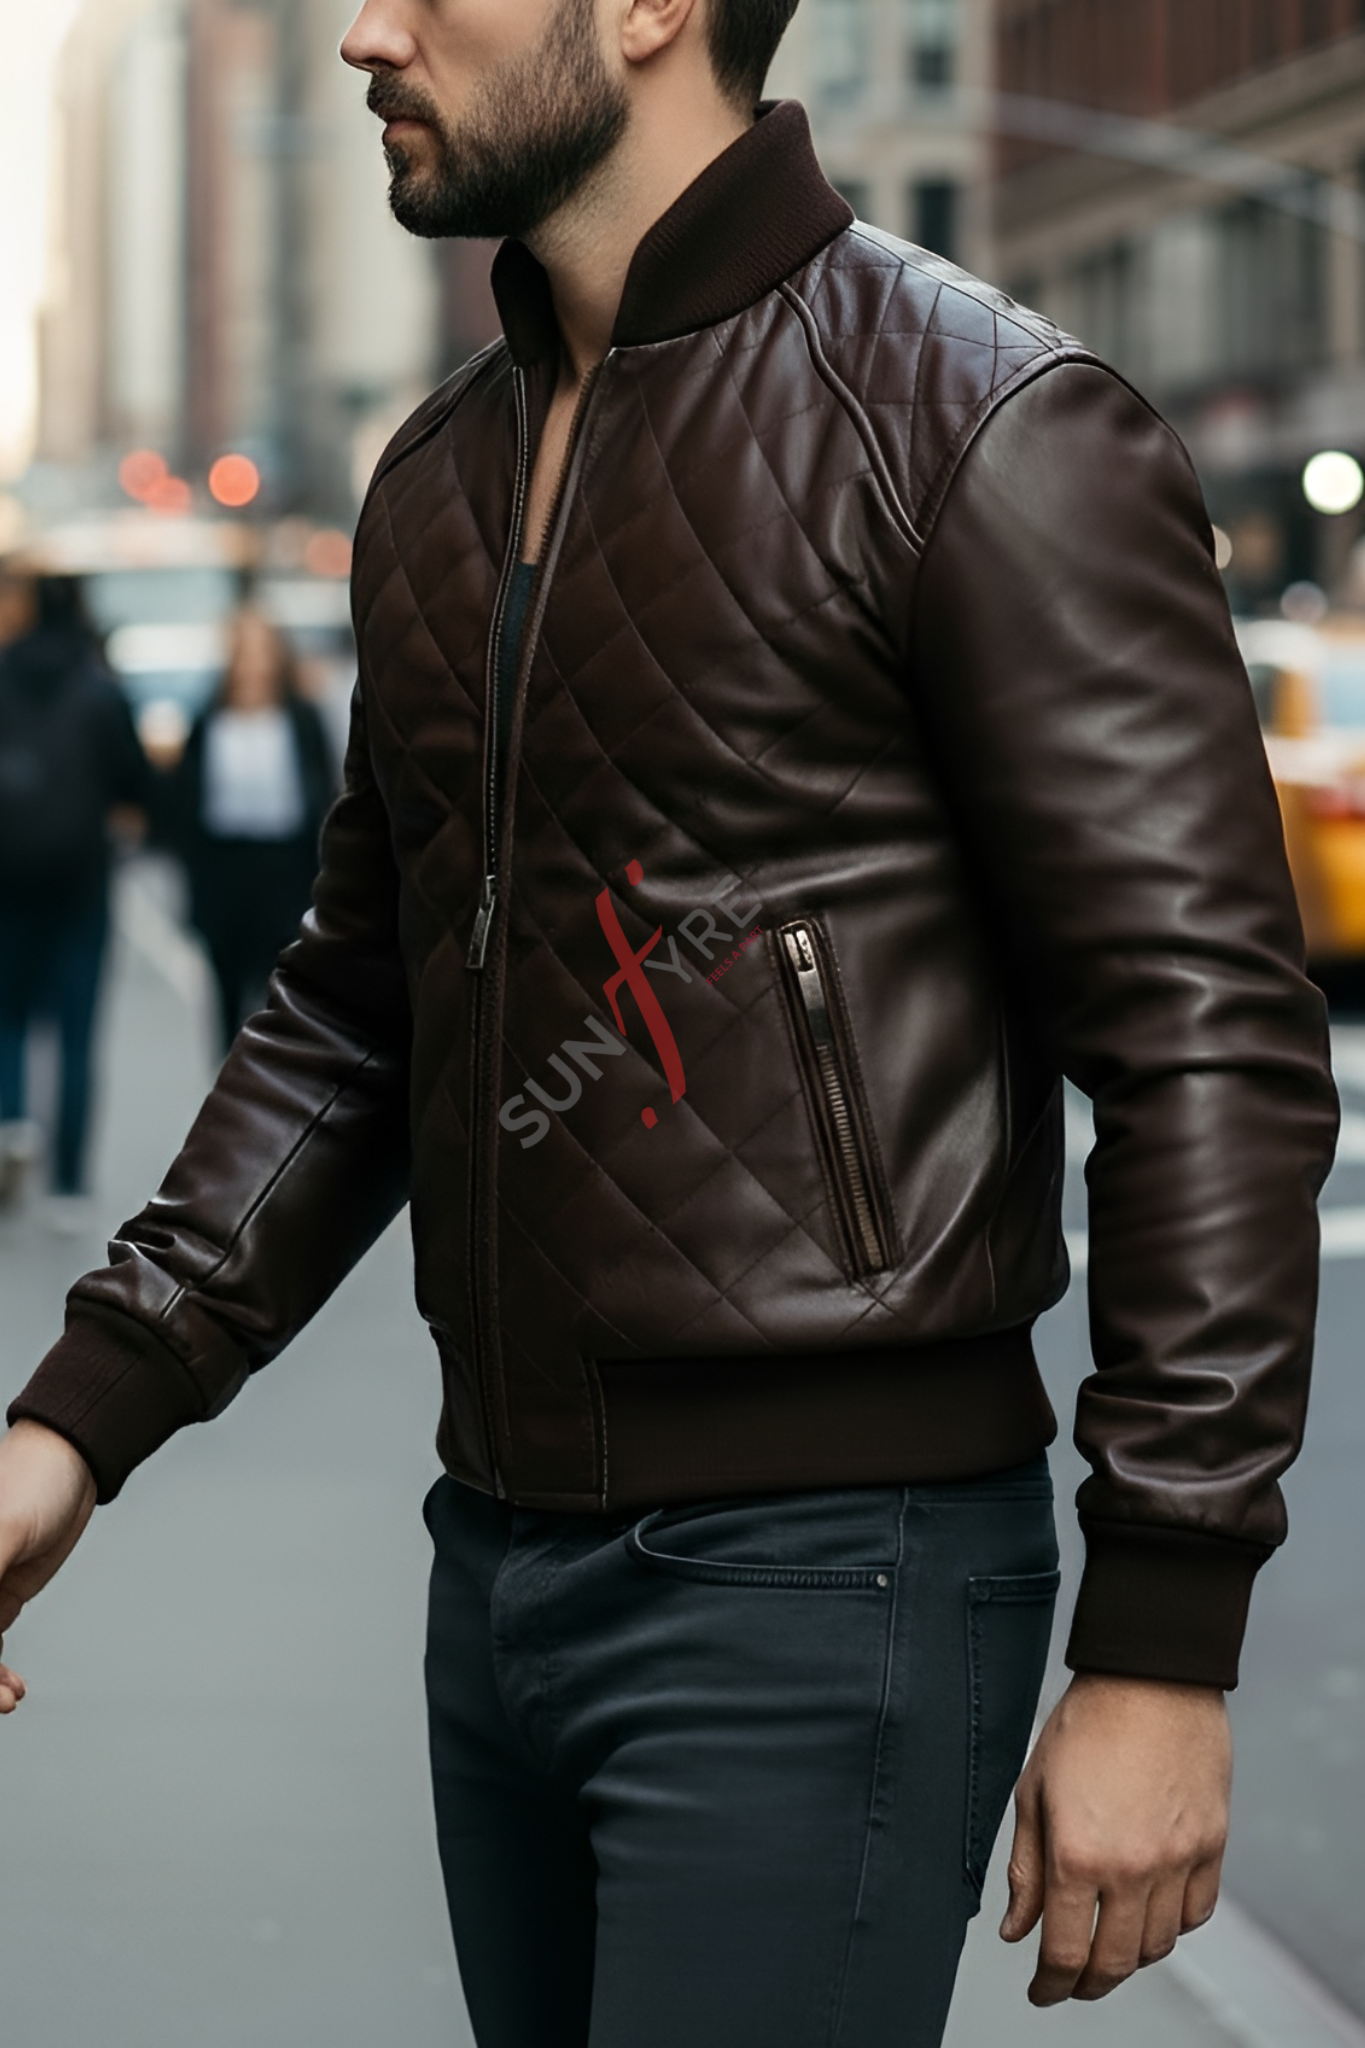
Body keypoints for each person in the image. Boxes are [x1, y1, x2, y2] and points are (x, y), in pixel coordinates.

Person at [0, 4, 1340, 2044]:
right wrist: (72, 1422)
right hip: (501, 1568)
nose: (368, 29)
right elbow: (359, 1014)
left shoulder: (979, 417)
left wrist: (1162, 1637)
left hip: (830, 1583)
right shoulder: (439, 474)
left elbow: (1208, 1048)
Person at [0, 575, 150, 1224]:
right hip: (82, 882)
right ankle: (67, 1182)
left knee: (6, 1019)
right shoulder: (97, 688)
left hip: (7, 880)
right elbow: (134, 784)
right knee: (77, 1031)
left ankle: (11, 1124)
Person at [162, 608, 336, 1052]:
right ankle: (228, 1084)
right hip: (226, 870)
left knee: (280, 990)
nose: (253, 663)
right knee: (225, 991)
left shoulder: (300, 718)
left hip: (284, 868)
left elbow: (325, 793)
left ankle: (273, 1085)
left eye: (261, 651)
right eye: (244, 651)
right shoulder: (209, 720)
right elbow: (186, 805)